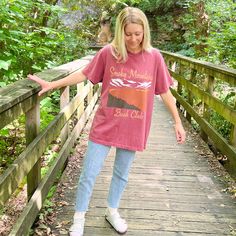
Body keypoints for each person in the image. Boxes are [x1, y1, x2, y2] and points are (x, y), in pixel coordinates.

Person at [28, 7, 186, 236]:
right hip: (105, 124)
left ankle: (112, 211)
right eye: (128, 34)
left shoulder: (154, 58)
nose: (133, 39)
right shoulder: (108, 53)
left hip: (134, 127)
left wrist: (177, 122)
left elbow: (165, 93)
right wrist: (53, 84)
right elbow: (85, 74)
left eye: (138, 34)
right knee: (89, 174)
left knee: (121, 174)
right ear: (121, 33)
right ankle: (79, 219)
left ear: (145, 32)